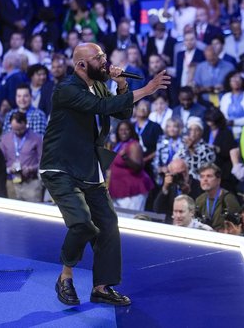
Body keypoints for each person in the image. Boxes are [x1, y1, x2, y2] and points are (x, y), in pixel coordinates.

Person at [39, 42, 170, 307]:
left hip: (89, 167)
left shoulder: (98, 85)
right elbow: (101, 107)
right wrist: (146, 90)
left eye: (104, 56)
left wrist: (122, 85)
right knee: (83, 223)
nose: (105, 61)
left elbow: (121, 111)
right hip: (60, 167)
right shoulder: (66, 89)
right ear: (81, 65)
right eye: (99, 58)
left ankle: (101, 286)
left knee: (108, 225)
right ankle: (65, 276)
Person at [108, 120, 154, 211]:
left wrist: (125, 157)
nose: (123, 132)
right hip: (119, 190)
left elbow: (138, 167)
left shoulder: (134, 145)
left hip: (133, 191)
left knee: (132, 220)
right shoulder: (119, 145)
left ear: (131, 131)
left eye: (126, 129)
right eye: (121, 130)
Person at [153, 158, 202, 222]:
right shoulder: (171, 185)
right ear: (171, 174)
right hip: (172, 224)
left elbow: (198, 212)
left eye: (183, 172)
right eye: (178, 174)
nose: (182, 176)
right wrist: (165, 187)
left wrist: (188, 193)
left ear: (188, 170)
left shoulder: (198, 185)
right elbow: (157, 209)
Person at [194, 163, 240, 230]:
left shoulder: (228, 199)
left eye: (209, 176)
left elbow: (236, 226)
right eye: (202, 176)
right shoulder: (199, 200)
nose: (205, 179)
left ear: (218, 180)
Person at [174, 116, 215, 181]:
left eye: (196, 130)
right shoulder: (183, 146)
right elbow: (175, 160)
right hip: (182, 182)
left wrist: (192, 150)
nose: (193, 133)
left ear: (201, 132)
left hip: (199, 183)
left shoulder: (207, 149)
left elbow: (202, 169)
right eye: (191, 129)